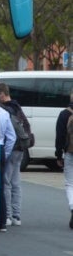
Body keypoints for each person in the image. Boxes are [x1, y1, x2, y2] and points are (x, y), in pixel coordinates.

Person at [0, 82, 29, 227]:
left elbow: (9, 135)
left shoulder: (5, 109)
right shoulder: (17, 107)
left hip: (11, 148)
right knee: (16, 183)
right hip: (21, 148)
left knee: (6, 182)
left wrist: (5, 152)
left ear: (2, 94)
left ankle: (8, 216)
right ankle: (17, 216)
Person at [0, 100, 16, 232]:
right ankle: (2, 222)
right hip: (0, 148)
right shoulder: (4, 113)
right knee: (0, 187)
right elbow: (12, 137)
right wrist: (6, 153)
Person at [54, 91, 73, 229]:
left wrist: (58, 155)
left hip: (70, 152)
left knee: (70, 183)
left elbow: (60, 136)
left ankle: (72, 206)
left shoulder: (64, 114)